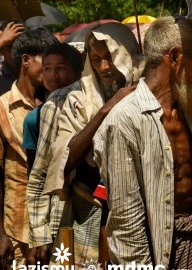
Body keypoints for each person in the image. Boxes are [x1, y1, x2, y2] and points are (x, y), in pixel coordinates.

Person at [93, 16, 192, 268]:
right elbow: (126, 221)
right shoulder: (125, 119)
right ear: (175, 57)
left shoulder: (187, 113)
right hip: (154, 251)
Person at [37, 25, 142, 267]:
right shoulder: (76, 100)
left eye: (110, 57)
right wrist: (106, 110)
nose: (104, 67)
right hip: (86, 212)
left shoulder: (146, 95)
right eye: (97, 59)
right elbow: (65, 160)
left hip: (134, 215)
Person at [0, 29, 58, 269]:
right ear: (26, 61)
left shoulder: (60, 103)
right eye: (46, 62)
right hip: (19, 229)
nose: (51, 70)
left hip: (59, 223)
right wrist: (0, 234)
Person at [22, 43, 83, 172]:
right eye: (47, 68)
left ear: (76, 73)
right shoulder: (34, 119)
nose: (52, 74)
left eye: (60, 68)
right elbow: (35, 168)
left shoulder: (86, 109)